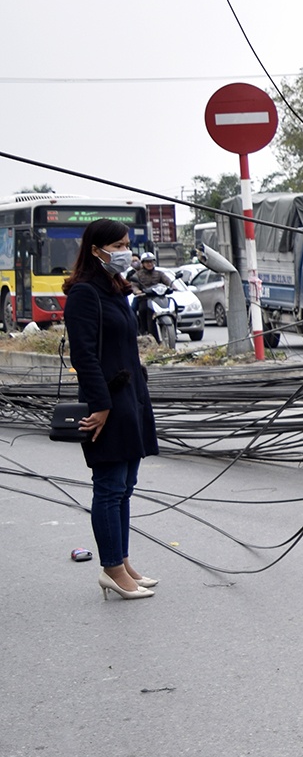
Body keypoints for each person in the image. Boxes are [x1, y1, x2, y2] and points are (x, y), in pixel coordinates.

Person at [63, 218, 160, 601]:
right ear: (95, 250)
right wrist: (101, 405)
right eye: (117, 245)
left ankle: (122, 560)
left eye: (126, 244)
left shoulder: (116, 288)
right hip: (108, 402)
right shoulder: (85, 293)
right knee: (108, 488)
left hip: (131, 398)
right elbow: (83, 355)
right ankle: (111, 568)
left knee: (125, 488)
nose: (125, 252)